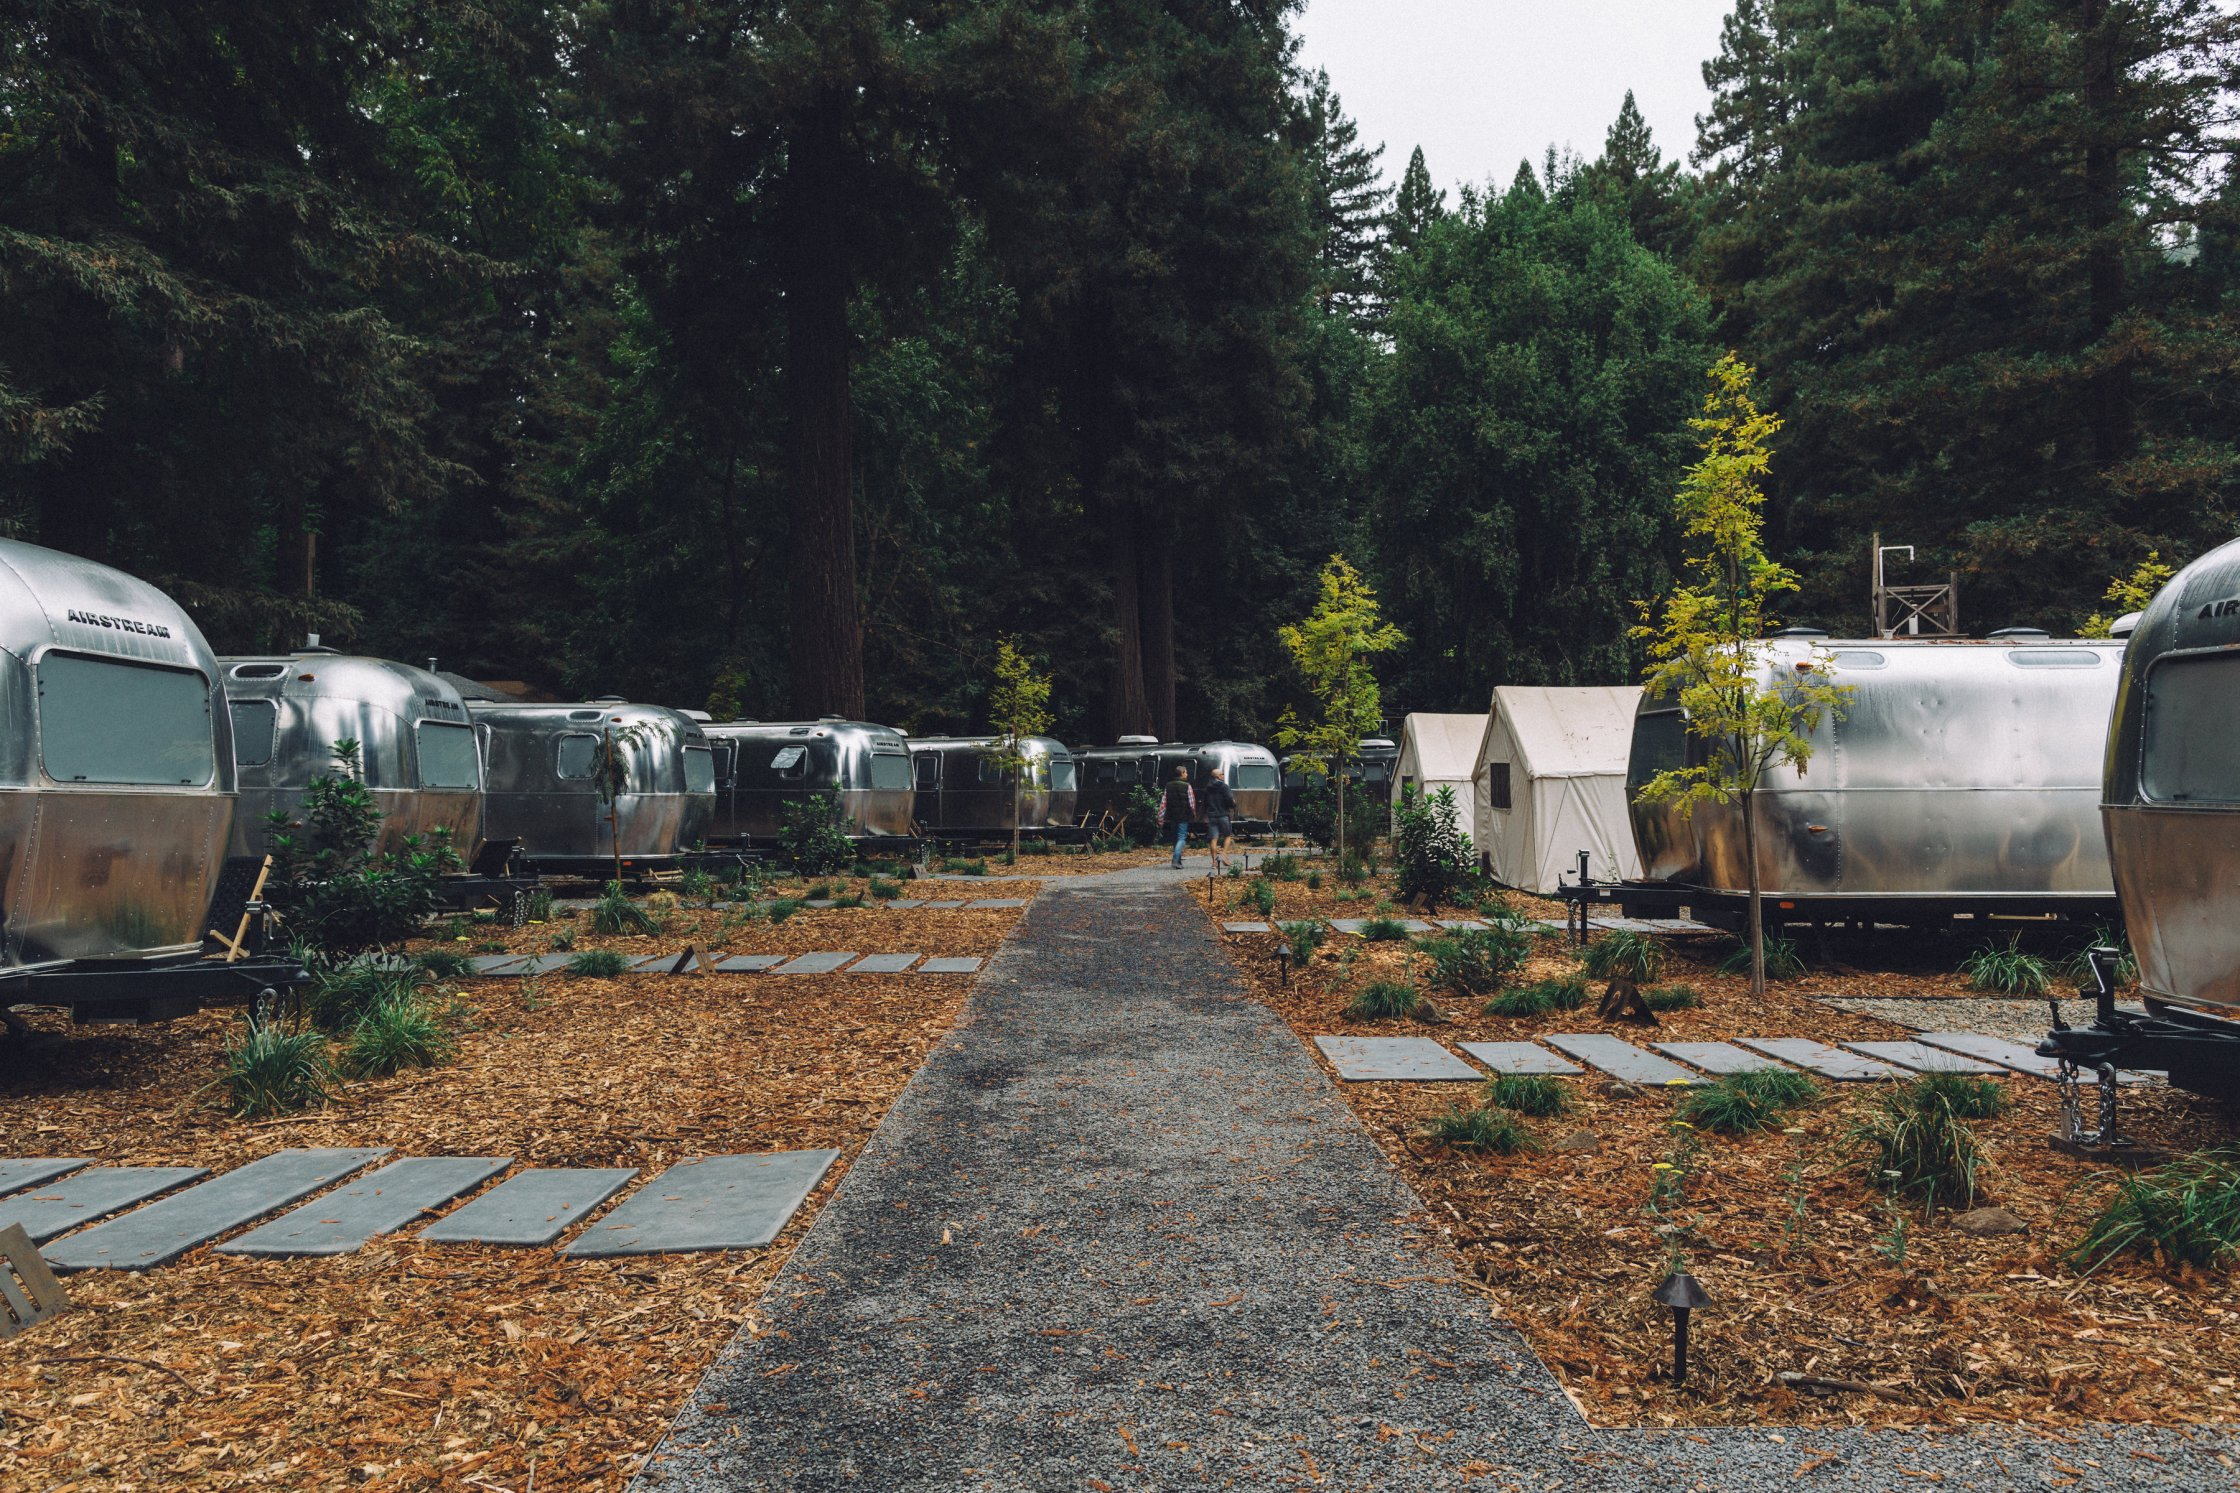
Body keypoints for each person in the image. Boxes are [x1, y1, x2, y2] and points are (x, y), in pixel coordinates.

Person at [1158, 766, 1196, 869]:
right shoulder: (1187, 786)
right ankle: (1175, 859)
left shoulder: (1168, 786)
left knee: (1175, 838)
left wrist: (1160, 818)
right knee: (1182, 838)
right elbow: (1191, 803)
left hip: (1172, 816)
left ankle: (1178, 861)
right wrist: (1193, 814)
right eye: (1186, 772)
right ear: (1182, 773)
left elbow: (1163, 803)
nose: (1187, 774)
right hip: (1184, 816)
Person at [1202, 766, 1237, 873]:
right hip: (1223, 815)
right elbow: (1229, 799)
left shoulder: (1207, 787)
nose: (1223, 775)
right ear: (1217, 776)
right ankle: (1224, 853)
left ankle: (1214, 862)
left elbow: (1205, 802)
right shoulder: (1224, 786)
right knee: (1227, 836)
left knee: (1213, 839)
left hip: (1212, 816)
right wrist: (1233, 804)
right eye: (1222, 774)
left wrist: (1205, 815)